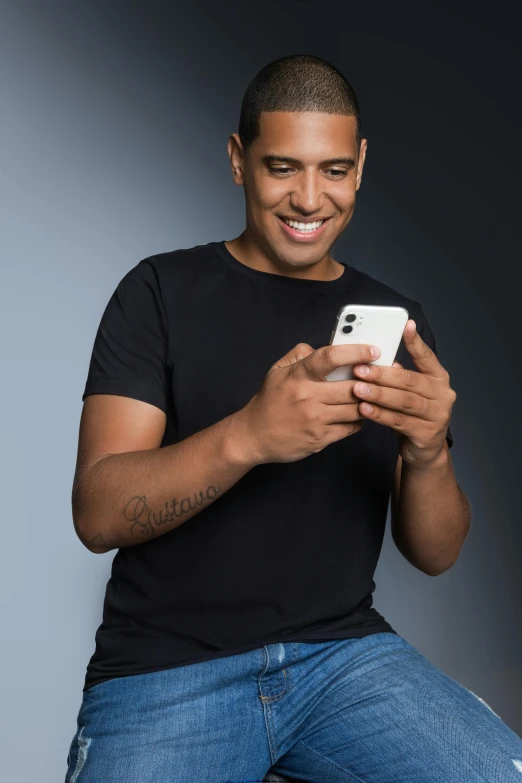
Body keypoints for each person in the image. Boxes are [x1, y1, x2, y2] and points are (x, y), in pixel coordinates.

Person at [65, 54, 522, 783]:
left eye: (334, 170)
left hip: (342, 660)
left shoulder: (399, 323)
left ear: (361, 165)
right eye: (283, 167)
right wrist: (251, 434)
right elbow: (97, 512)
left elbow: (436, 552)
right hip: (168, 671)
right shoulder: (157, 293)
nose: (310, 198)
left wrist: (431, 450)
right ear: (238, 159)